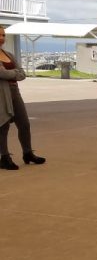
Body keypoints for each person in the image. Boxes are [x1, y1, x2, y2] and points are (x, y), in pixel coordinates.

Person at [0, 27, 45, 170]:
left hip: (15, 92)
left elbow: (22, 74)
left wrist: (11, 73)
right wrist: (14, 73)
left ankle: (27, 153)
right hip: (1, 94)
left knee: (24, 123)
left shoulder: (8, 54)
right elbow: (3, 73)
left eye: (3, 35)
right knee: (3, 125)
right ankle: (4, 157)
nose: (2, 38)